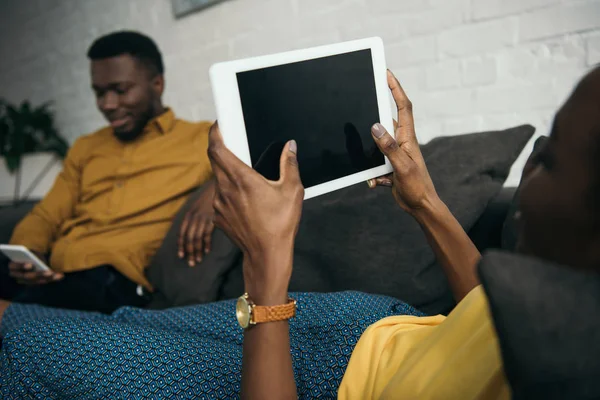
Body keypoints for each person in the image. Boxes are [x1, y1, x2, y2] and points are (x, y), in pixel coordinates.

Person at [0, 66, 598, 398]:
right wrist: (425, 203)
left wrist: (268, 264)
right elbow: (482, 317)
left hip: (313, 376)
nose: (534, 157)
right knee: (127, 325)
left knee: (34, 350)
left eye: (548, 160)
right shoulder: (557, 315)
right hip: (366, 319)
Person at [4, 31, 217, 313]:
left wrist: (215, 190)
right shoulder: (86, 147)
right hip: (53, 271)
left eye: (120, 90)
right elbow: (46, 214)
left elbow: (262, 165)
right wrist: (27, 254)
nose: (107, 105)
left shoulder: (202, 139)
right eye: (99, 92)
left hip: (110, 282)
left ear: (157, 84)